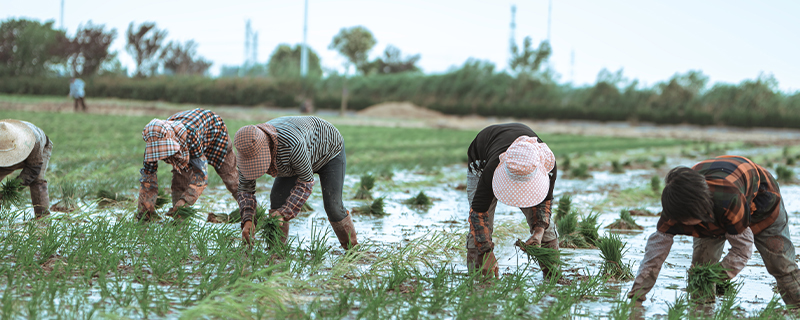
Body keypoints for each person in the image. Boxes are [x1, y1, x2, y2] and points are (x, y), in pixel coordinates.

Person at [628, 155, 800, 306]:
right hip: (717, 201)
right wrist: (638, 294)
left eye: (690, 221)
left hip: (761, 200)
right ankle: (701, 309)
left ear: (702, 209)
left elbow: (742, 250)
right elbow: (654, 256)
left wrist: (713, 276)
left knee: (781, 264)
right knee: (701, 265)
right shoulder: (675, 208)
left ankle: (797, 306)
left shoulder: (728, 199)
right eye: (683, 222)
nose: (686, 226)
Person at [234, 116, 357, 250]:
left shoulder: (291, 145)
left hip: (328, 150)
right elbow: (245, 190)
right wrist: (248, 220)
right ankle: (276, 251)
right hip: (297, 155)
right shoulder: (246, 150)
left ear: (268, 148)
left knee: (333, 206)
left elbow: (306, 183)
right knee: (277, 200)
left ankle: (353, 250)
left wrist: (284, 213)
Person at [466, 123, 559, 278]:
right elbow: (478, 213)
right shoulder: (491, 169)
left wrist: (538, 232)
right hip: (482, 160)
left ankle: (553, 276)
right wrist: (486, 252)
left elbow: (544, 204)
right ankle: (479, 278)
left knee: (546, 229)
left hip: (522, 159)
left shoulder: (547, 164)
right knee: (480, 228)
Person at [137, 109, 238, 221]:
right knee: (180, 178)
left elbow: (201, 176)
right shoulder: (152, 144)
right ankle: (180, 218)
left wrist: (185, 201)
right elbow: (148, 182)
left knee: (231, 179)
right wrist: (144, 213)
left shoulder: (190, 134)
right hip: (190, 141)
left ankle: (251, 212)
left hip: (215, 133)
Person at [0, 119, 53, 219]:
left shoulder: (34, 140)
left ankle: (42, 217)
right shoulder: (2, 135)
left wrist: (11, 189)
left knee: (37, 181)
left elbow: (33, 168)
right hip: (11, 149)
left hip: (37, 152)